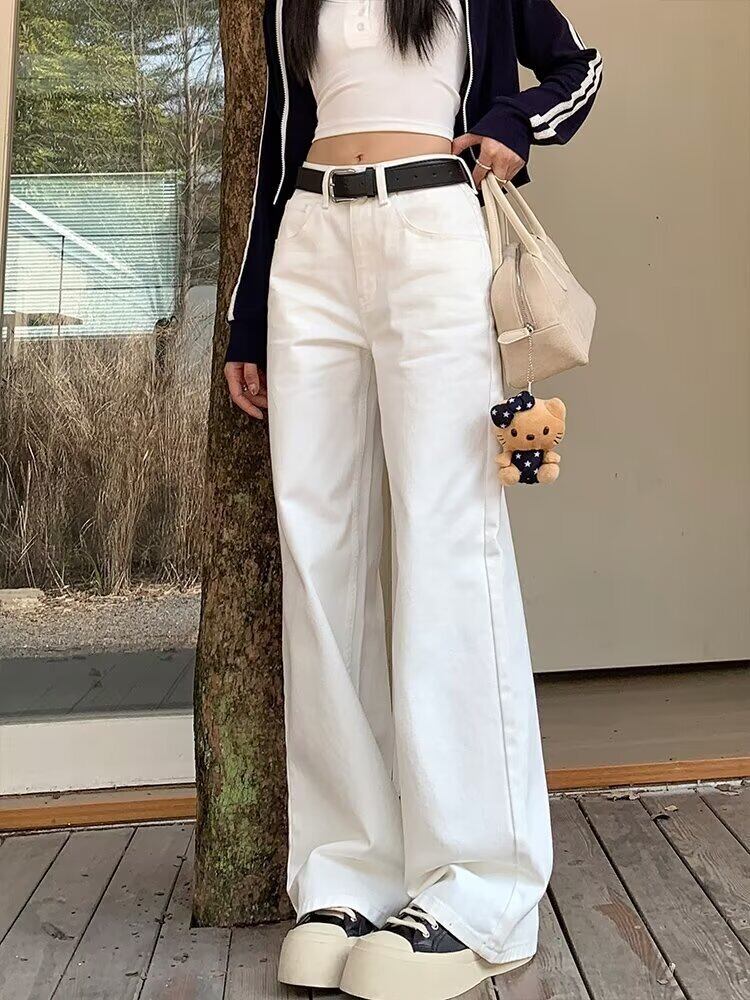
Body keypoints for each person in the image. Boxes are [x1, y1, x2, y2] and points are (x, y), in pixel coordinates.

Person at [224, 1, 601, 997]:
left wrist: (514, 128)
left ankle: (481, 888)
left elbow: (579, 70)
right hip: (312, 238)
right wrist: (249, 316)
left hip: (433, 232)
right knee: (318, 556)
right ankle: (346, 876)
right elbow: (278, 142)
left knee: (448, 543)